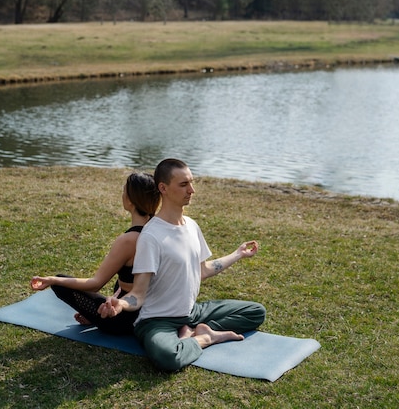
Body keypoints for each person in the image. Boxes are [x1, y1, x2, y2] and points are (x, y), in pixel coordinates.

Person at [98, 158, 266, 371]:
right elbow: (139, 293)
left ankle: (196, 330)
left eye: (191, 183)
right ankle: (204, 339)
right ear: (163, 188)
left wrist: (238, 254)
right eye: (184, 184)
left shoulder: (192, 226)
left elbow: (202, 270)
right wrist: (120, 304)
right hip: (157, 320)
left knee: (256, 312)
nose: (192, 190)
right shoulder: (151, 236)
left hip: (191, 312)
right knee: (168, 357)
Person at [30, 172, 160, 335]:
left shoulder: (128, 241)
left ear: (130, 200)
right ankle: (96, 314)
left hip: (126, 320)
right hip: (158, 313)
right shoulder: (160, 230)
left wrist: (52, 280)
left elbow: (95, 283)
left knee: (61, 283)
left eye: (124, 190)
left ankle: (98, 315)